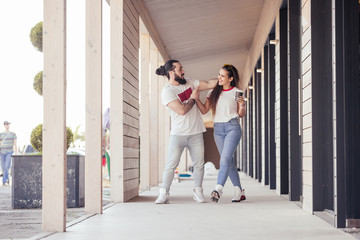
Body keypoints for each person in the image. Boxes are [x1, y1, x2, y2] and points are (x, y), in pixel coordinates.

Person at [155, 59, 218, 204]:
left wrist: (221, 77)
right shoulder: (167, 92)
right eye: (180, 69)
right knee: (171, 164)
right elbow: (182, 110)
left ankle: (198, 191)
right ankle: (164, 193)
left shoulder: (189, 82)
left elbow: (209, 84)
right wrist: (193, 98)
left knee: (199, 164)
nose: (183, 71)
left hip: (196, 132)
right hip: (178, 134)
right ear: (171, 72)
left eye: (182, 68)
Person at [194, 64, 246, 203]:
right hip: (218, 129)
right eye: (219, 74)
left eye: (223, 76)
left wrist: (242, 105)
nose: (219, 78)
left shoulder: (237, 92)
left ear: (230, 78)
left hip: (232, 128)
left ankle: (218, 189)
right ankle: (238, 191)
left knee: (224, 159)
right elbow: (205, 110)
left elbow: (241, 114)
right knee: (228, 162)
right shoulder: (213, 93)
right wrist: (196, 98)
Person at [0, 121, 17, 186]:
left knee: (7, 166)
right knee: (3, 168)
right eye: (6, 124)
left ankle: (4, 181)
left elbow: (15, 144)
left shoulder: (13, 134)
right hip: (2, 152)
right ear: (4, 125)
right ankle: (7, 180)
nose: (7, 125)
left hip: (9, 152)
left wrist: (16, 153)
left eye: (8, 124)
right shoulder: (1, 134)